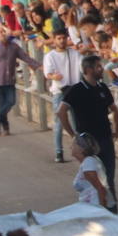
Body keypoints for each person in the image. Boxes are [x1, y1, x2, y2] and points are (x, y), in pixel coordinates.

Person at [58, 54, 118, 205]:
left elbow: (114, 109)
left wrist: (117, 130)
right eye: (98, 67)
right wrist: (73, 135)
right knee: (92, 177)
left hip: (105, 139)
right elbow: (61, 112)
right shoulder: (76, 89)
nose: (101, 69)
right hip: (87, 143)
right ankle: (95, 208)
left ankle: (110, 209)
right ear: (88, 69)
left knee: (109, 177)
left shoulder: (103, 88)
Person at [0, 25, 41, 136]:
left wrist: (38, 65)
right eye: (0, 32)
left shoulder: (14, 47)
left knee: (11, 101)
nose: (3, 34)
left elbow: (25, 57)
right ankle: (5, 128)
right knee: (2, 105)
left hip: (10, 80)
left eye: (4, 32)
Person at [43, 31, 84, 162]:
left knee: (76, 122)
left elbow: (83, 67)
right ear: (54, 40)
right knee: (59, 123)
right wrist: (53, 76)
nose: (61, 41)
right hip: (60, 92)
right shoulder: (50, 56)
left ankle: (81, 148)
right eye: (58, 38)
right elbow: (48, 73)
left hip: (74, 90)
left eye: (63, 38)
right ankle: (59, 151)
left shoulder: (74, 54)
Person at [70, 132, 111, 207]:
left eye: (73, 145)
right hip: (88, 206)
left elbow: (99, 187)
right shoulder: (87, 162)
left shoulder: (88, 163)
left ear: (81, 149)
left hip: (93, 206)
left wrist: (101, 209)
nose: (70, 147)